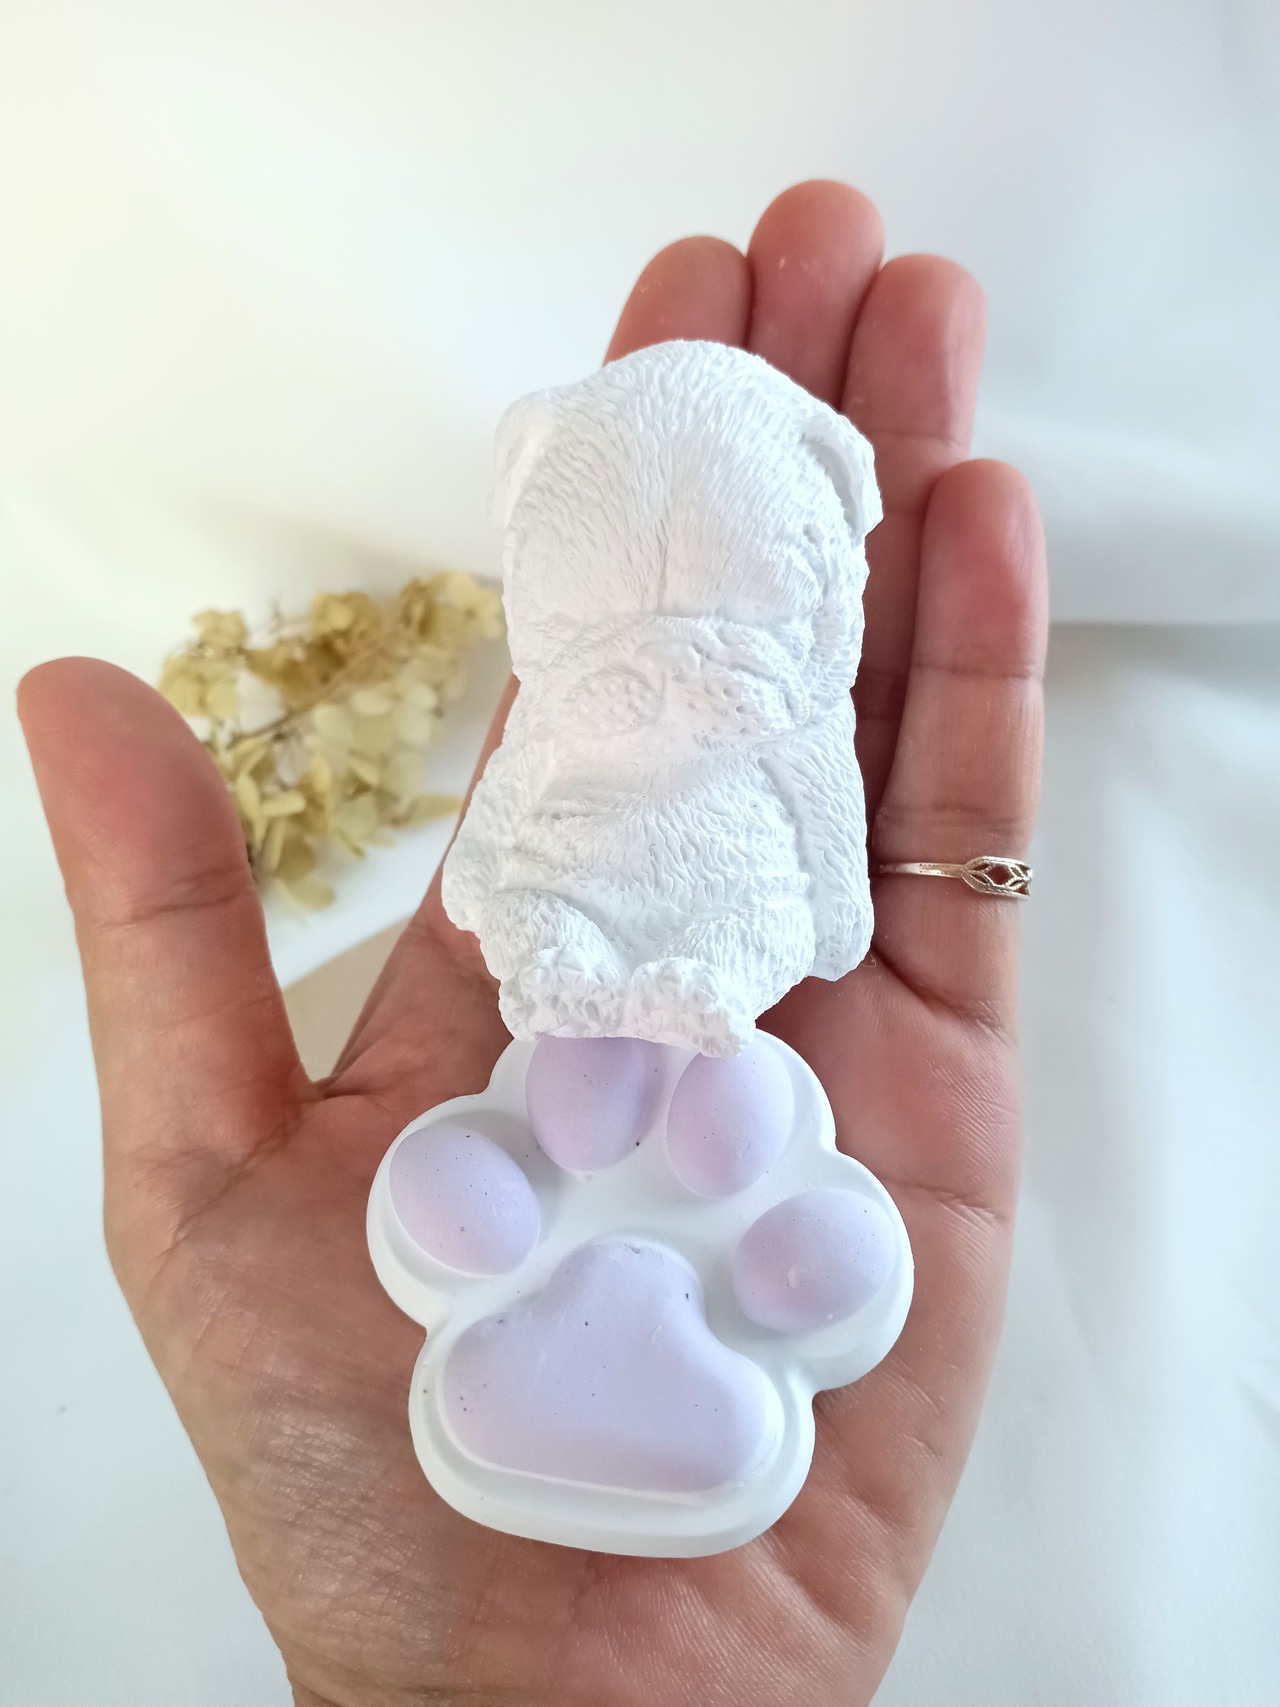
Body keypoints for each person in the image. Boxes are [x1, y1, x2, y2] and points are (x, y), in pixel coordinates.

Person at [17, 180, 1047, 1707]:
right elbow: (501, 840)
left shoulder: (787, 728)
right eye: (610, 618)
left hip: (722, 964)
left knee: (687, 1070)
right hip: (578, 945)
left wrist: (824, 919)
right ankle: (616, 1184)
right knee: (615, 1055)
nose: (671, 666)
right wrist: (519, 915)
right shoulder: (568, 739)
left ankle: (637, 1166)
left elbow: (827, 847)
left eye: (731, 611)